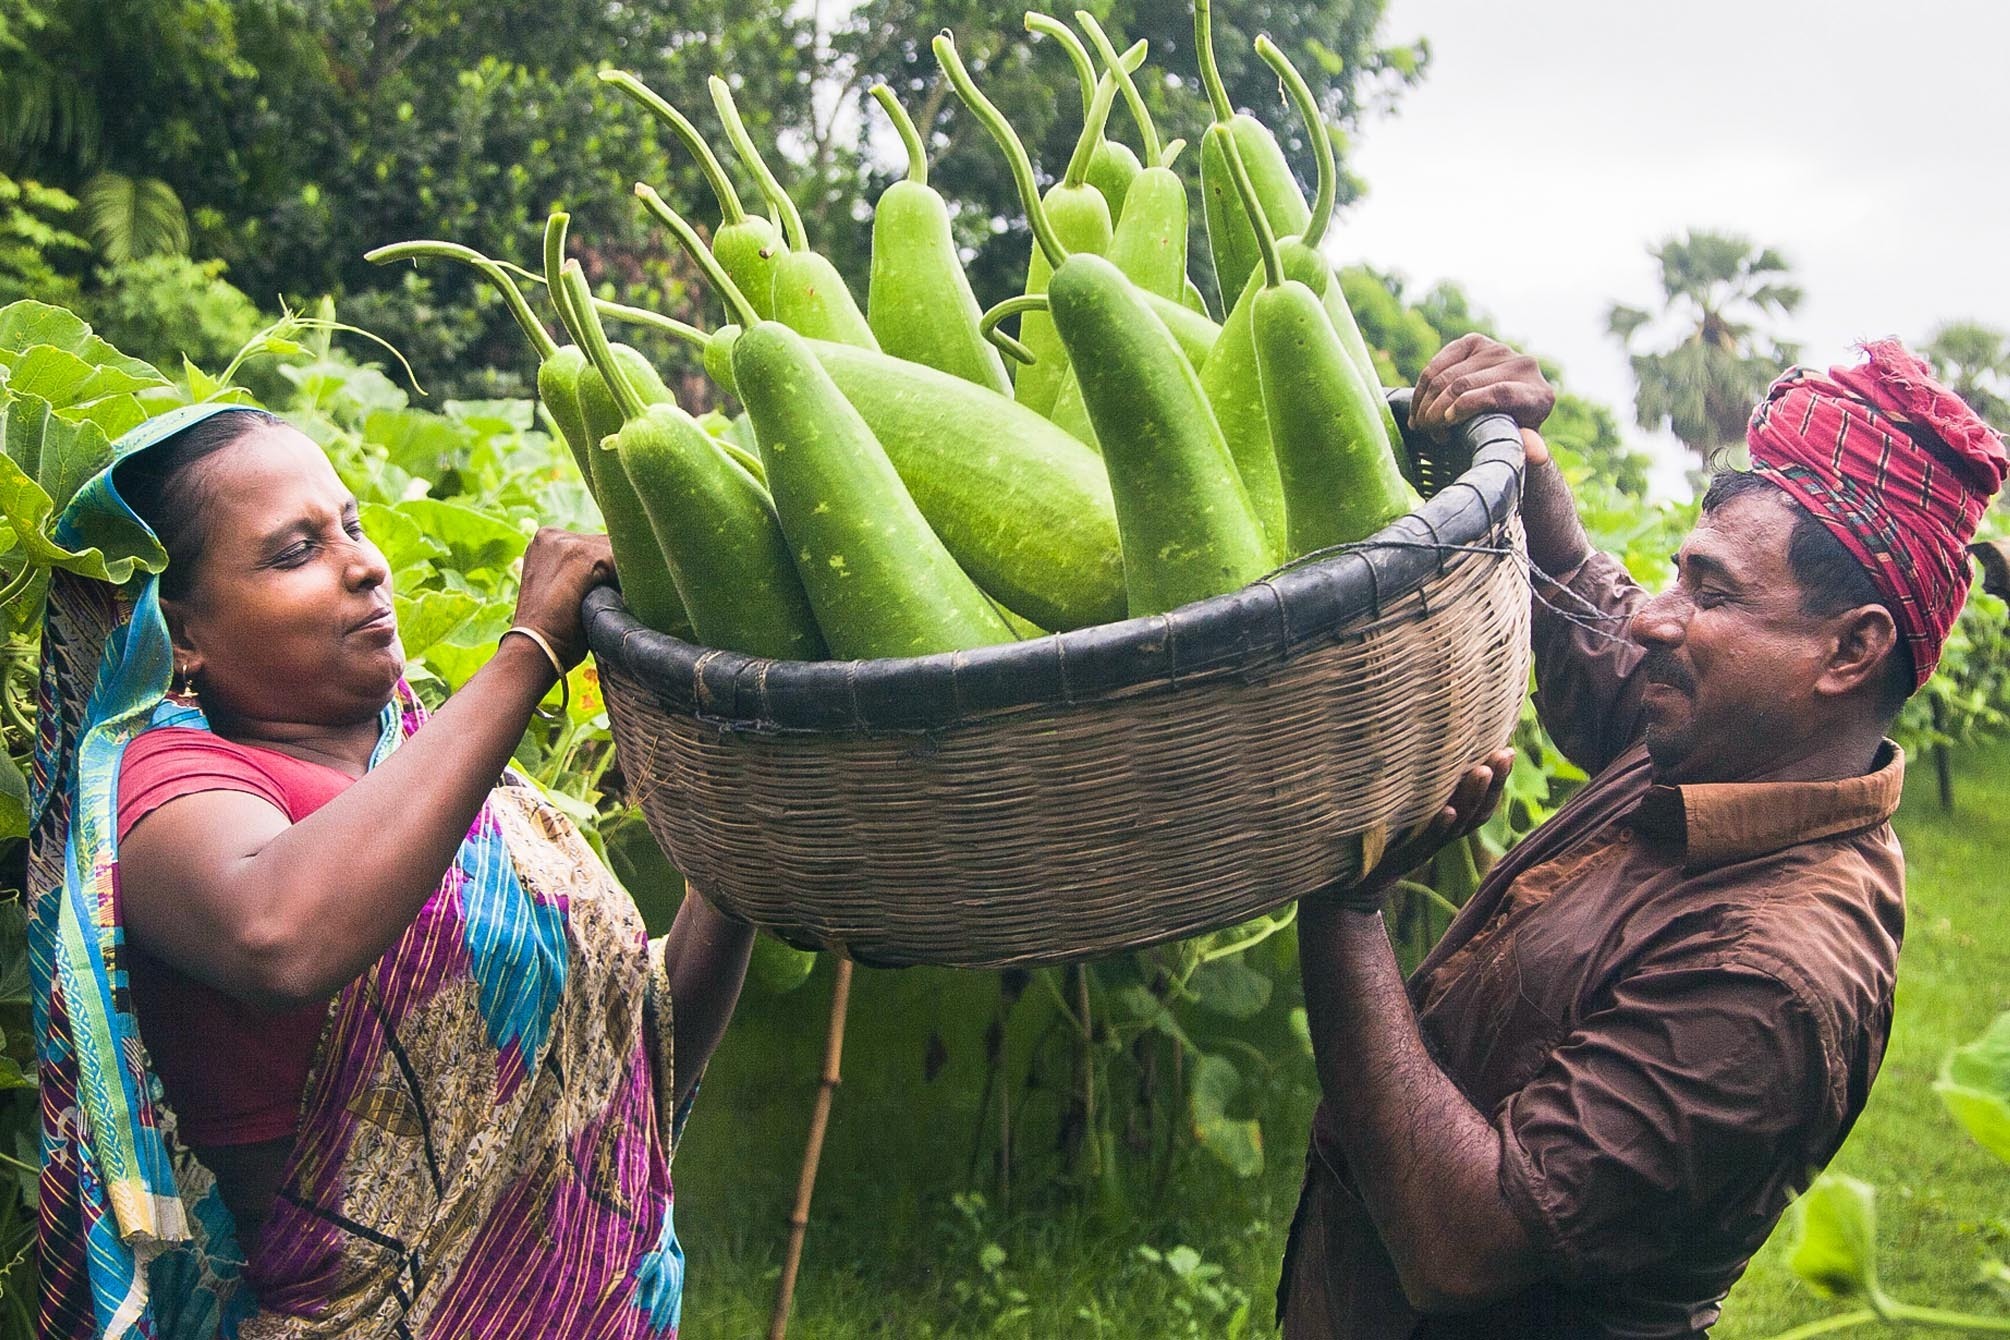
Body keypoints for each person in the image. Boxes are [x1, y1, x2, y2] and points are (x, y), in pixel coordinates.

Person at [1278, 335, 2008, 1338]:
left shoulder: (1769, 978)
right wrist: (1523, 478)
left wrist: (1347, 909)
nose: (1661, 619)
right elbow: (1600, 614)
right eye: (1680, 575)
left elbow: (1461, 1242)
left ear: (1849, 650)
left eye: (1712, 593)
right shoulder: (1734, 738)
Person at [26, 403, 754, 1338]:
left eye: (354, 526)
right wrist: (528, 651)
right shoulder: (171, 781)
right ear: (182, 632)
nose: (365, 565)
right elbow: (274, 934)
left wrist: (739, 858)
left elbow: (629, 1075)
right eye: (296, 552)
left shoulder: (450, 780)